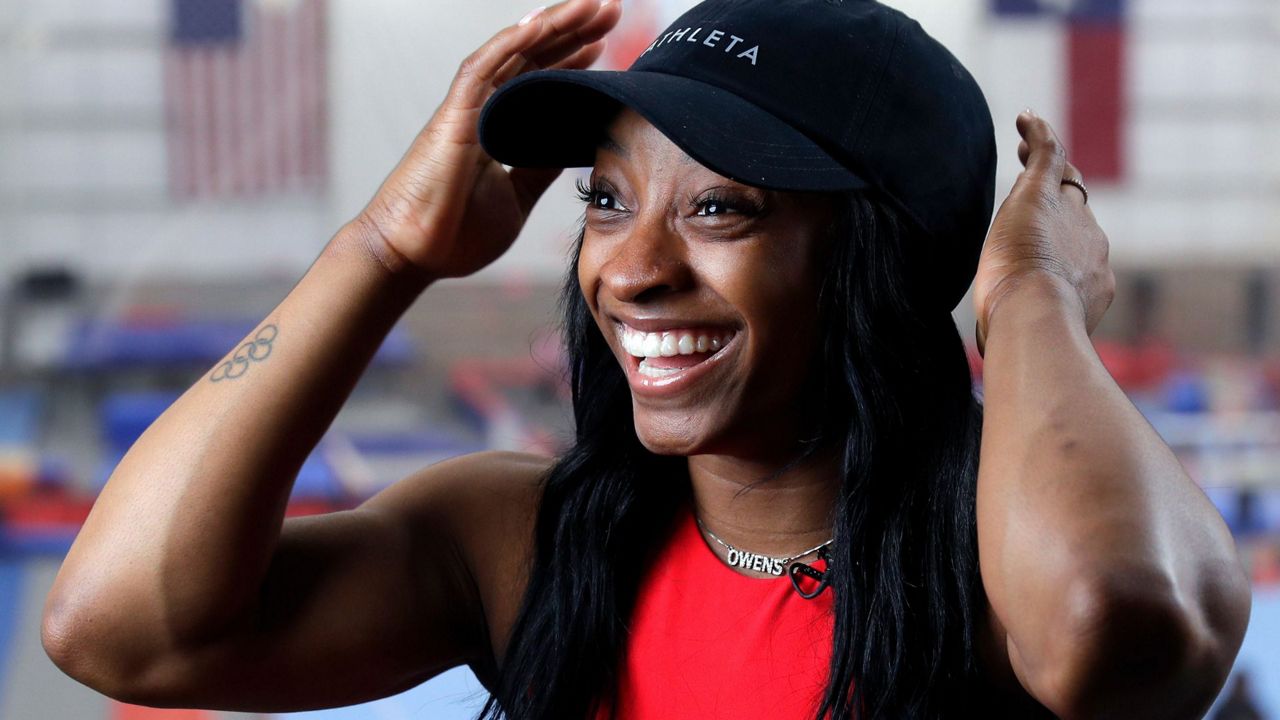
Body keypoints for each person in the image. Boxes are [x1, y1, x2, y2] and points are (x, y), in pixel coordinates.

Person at [41, 0, 1251, 718]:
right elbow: (119, 627)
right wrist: (383, 249)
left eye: (720, 210)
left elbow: (1114, 626)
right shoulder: (523, 544)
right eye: (606, 200)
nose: (630, 268)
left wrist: (1031, 294)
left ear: (876, 258)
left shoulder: (1006, 571)